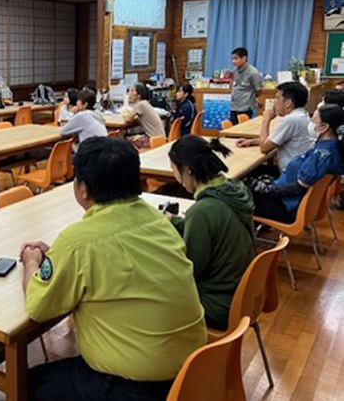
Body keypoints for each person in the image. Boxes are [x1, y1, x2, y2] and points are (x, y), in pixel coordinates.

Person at [20, 137, 206, 401]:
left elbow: (37, 306)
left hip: (138, 387)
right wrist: (58, 256)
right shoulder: (158, 220)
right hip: (194, 368)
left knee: (28, 384)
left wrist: (31, 262)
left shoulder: (79, 241)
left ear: (82, 188)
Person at [167, 136, 256, 330]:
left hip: (217, 304)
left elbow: (191, 269)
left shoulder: (202, 211)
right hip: (242, 294)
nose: (175, 176)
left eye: (174, 170)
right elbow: (216, 227)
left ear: (187, 170)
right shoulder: (233, 189)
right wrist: (175, 222)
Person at [251, 104, 344, 223]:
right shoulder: (330, 146)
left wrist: (267, 189)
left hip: (287, 207)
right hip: (291, 201)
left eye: (313, 120)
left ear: (324, 127)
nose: (310, 123)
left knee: (236, 199)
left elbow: (299, 187)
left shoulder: (321, 154)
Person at [237, 81, 315, 172]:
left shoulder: (291, 120)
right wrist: (252, 141)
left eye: (277, 98)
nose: (274, 101)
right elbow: (277, 141)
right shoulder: (302, 115)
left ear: (288, 103)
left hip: (290, 177)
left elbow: (264, 148)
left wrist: (266, 119)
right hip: (300, 170)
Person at [124, 83, 166, 149]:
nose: (130, 93)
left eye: (132, 91)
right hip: (159, 138)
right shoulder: (145, 103)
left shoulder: (140, 104)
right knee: (134, 137)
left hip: (153, 140)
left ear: (139, 95)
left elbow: (127, 120)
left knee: (127, 142)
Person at [229, 47, 263, 125]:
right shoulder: (234, 71)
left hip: (245, 108)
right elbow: (233, 86)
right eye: (232, 59)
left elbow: (259, 90)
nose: (233, 61)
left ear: (244, 58)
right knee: (232, 131)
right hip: (234, 106)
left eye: (236, 58)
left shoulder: (253, 72)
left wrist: (252, 98)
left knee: (242, 131)